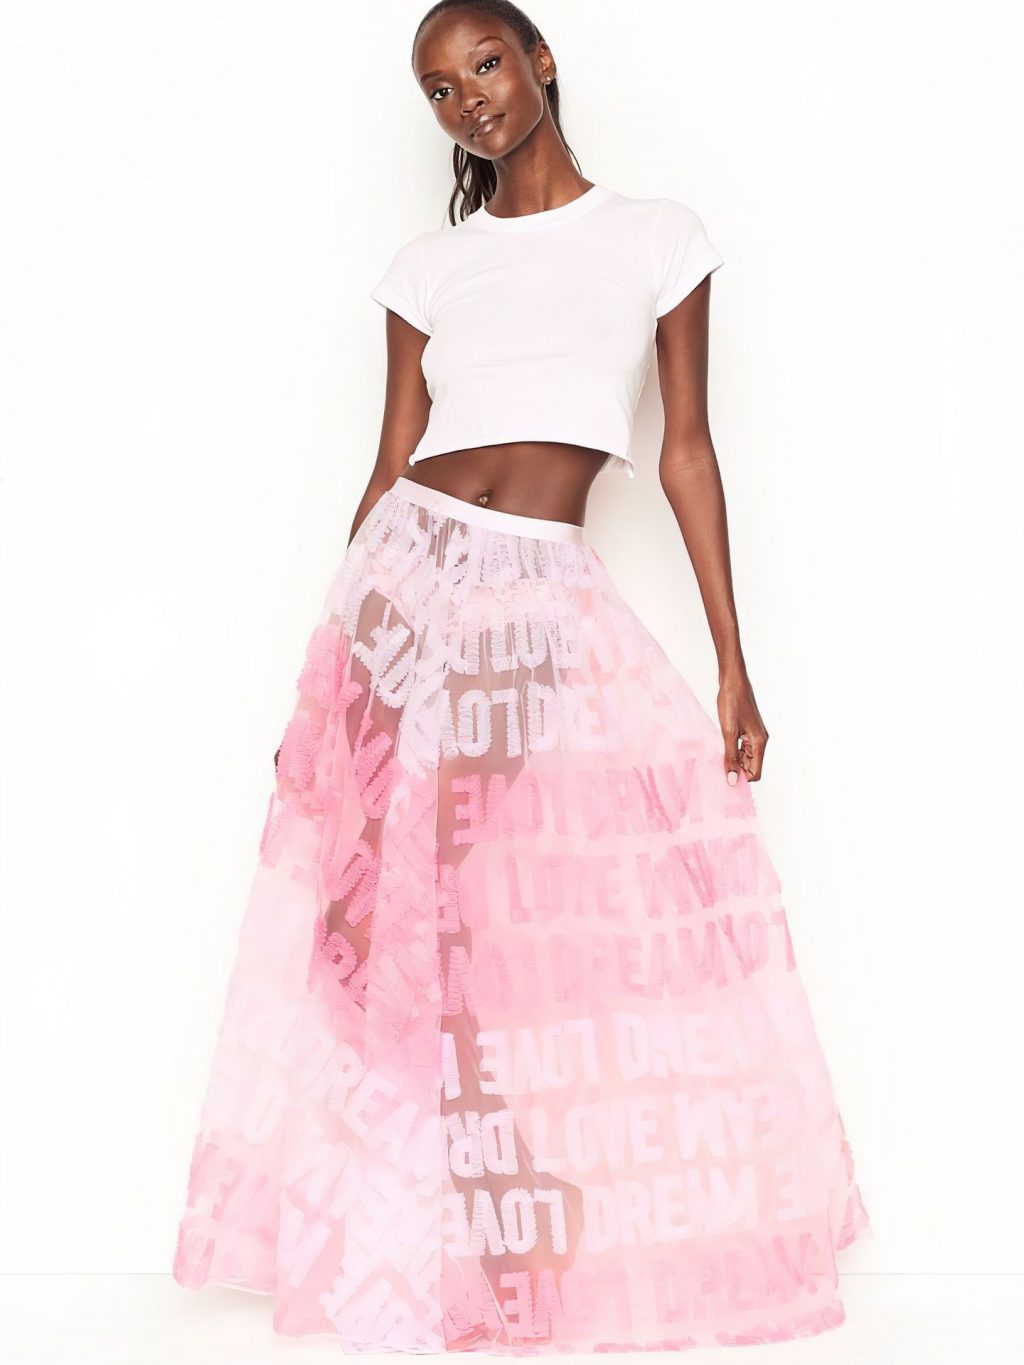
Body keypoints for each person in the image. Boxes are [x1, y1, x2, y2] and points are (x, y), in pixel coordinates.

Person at [172, 0, 872, 1352]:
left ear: (542, 62)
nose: (468, 99)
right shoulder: (428, 268)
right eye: (439, 89)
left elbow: (685, 451)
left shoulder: (659, 236)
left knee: (483, 914)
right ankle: (423, 1230)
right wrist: (327, 680)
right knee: (365, 920)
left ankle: (514, 1219)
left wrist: (733, 662)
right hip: (400, 582)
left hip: (532, 590)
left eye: (485, 65)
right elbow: (389, 466)